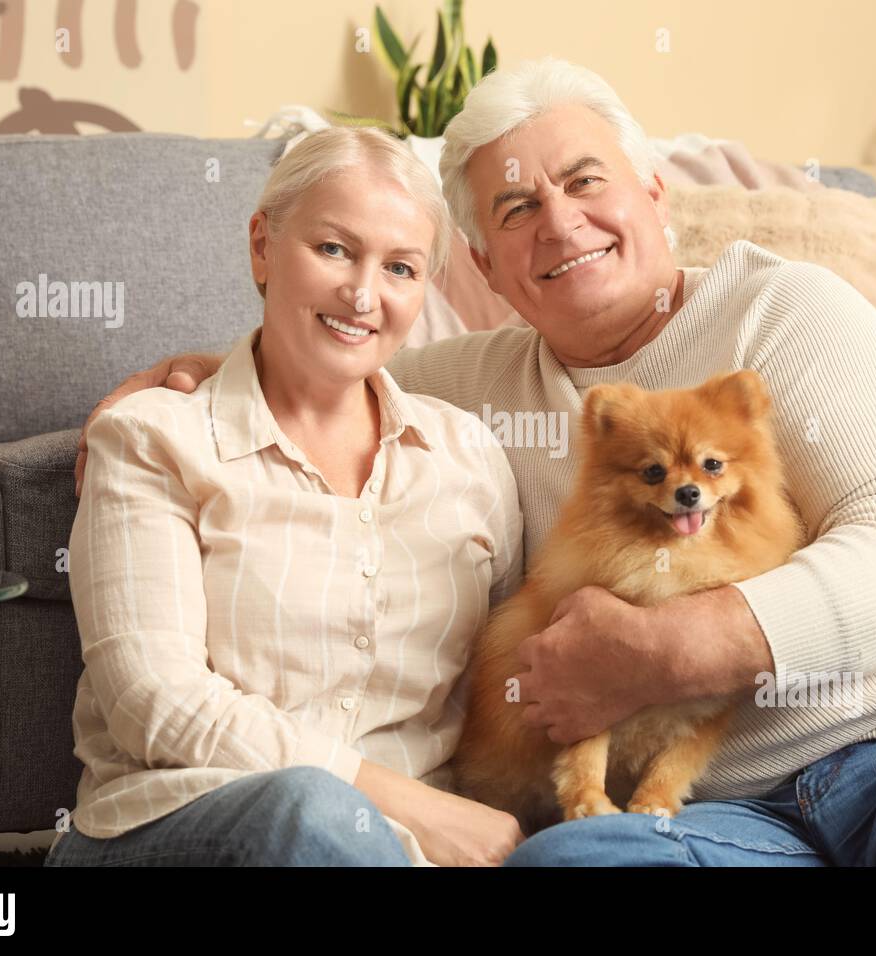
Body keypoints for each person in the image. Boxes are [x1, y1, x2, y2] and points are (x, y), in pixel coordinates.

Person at [74, 57, 876, 866]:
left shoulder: (786, 313)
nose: (561, 222)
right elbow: (336, 345)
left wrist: (667, 649)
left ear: (652, 194)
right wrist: (192, 371)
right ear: (487, 265)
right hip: (716, 801)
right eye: (515, 208)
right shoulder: (476, 386)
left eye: (586, 182)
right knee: (565, 863)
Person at [46, 125, 524, 867]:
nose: (363, 294)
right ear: (263, 246)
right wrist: (409, 806)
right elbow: (156, 705)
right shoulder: (154, 439)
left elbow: (506, 681)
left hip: (423, 854)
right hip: (179, 826)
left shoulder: (468, 455)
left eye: (400, 267)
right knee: (310, 812)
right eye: (333, 249)